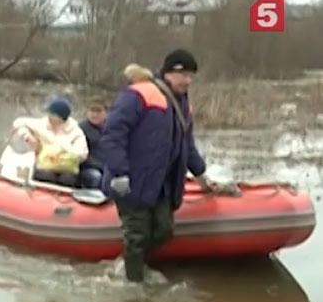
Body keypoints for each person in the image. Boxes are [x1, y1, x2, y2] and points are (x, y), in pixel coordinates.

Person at [97, 49, 214, 282]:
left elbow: (186, 145)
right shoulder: (138, 95)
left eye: (191, 76)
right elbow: (112, 135)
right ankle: (133, 287)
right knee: (137, 235)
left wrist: (201, 174)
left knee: (164, 231)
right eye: (184, 75)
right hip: (132, 180)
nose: (188, 81)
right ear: (170, 73)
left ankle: (127, 268)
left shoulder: (183, 105)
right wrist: (119, 173)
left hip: (162, 184)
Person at [13, 97, 89, 188]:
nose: (49, 116)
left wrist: (63, 149)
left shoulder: (75, 131)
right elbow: (18, 122)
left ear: (60, 117)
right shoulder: (42, 124)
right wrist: (28, 137)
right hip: (45, 166)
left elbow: (83, 154)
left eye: (52, 114)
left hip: (67, 169)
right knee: (46, 176)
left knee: (67, 179)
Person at [78, 99, 108, 189]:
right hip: (88, 168)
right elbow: (81, 155)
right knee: (97, 177)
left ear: (106, 113)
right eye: (92, 111)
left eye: (98, 111)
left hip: (109, 168)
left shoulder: (112, 129)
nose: (95, 115)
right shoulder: (81, 129)